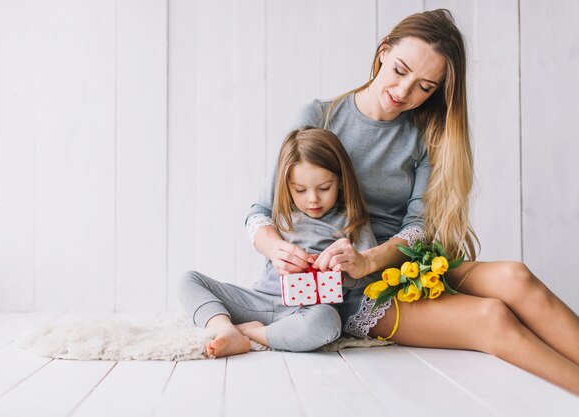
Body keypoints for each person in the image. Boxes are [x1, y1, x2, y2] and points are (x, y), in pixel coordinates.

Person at [246, 9, 579, 394]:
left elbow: (417, 228)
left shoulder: (425, 134)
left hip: (397, 263)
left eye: (425, 87)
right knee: (491, 318)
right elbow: (260, 213)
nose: (404, 92)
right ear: (383, 52)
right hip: (351, 290)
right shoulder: (321, 116)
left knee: (515, 277)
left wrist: (371, 258)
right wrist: (277, 249)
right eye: (400, 70)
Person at [178, 127, 378, 358]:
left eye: (324, 188)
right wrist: (276, 251)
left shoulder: (352, 222)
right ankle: (223, 328)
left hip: (307, 310)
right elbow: (262, 237)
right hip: (260, 300)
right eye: (300, 190)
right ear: (286, 185)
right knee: (188, 280)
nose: (312, 198)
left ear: (341, 182)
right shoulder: (279, 216)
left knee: (328, 323)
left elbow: (369, 277)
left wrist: (346, 271)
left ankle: (253, 333)